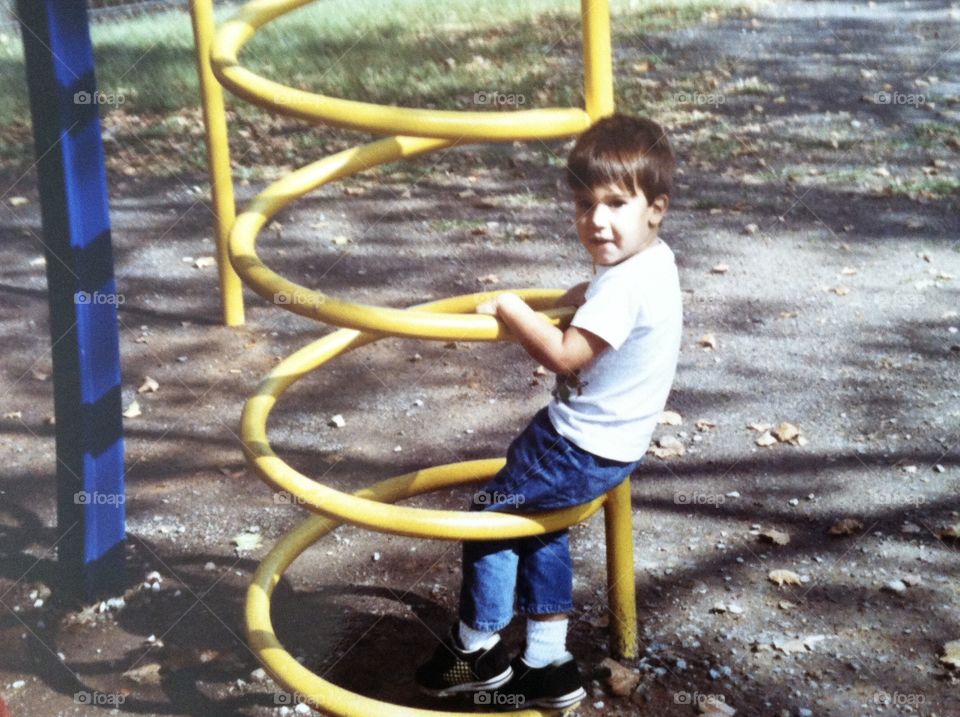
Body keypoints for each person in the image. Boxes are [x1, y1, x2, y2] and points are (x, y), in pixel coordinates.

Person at [415, 113, 682, 710]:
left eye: (616, 203)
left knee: (491, 518)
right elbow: (593, 296)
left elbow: (564, 355)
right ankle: (547, 661)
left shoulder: (622, 286)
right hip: (615, 448)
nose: (598, 220)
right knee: (542, 528)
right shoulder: (653, 262)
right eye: (586, 204)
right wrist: (573, 298)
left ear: (655, 208)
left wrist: (513, 309)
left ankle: (476, 649)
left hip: (572, 444)